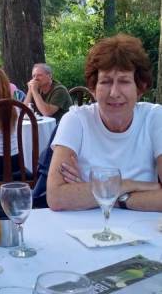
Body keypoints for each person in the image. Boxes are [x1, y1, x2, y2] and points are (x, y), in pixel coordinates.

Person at [47, 34, 162, 212]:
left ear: (139, 88)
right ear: (93, 89)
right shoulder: (76, 120)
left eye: (124, 81)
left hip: (145, 234)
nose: (114, 92)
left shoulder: (155, 118)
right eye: (106, 82)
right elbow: (56, 197)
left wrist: (113, 198)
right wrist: (126, 185)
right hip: (84, 232)